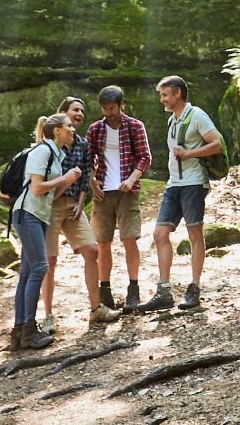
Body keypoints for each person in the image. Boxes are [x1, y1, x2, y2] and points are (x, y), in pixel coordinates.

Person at [131, 75, 221, 313]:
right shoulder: (172, 120)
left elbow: (217, 143)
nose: (162, 99)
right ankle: (164, 291)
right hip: (174, 185)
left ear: (177, 94)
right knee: (160, 233)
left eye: (165, 95)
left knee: (194, 234)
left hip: (193, 184)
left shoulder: (197, 116)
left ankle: (194, 287)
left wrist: (190, 154)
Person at [40, 97, 117, 329]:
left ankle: (96, 309)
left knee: (91, 250)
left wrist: (81, 202)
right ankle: (48, 317)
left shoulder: (82, 144)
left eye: (82, 111)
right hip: (50, 207)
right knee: (49, 262)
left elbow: (85, 176)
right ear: (62, 114)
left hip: (73, 205)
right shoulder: (48, 147)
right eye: (75, 110)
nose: (80, 115)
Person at [10, 112, 81, 350]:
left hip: (37, 215)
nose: (73, 129)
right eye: (69, 126)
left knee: (27, 272)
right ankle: (28, 329)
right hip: (27, 214)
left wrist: (67, 182)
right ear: (57, 131)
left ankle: (19, 331)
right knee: (40, 267)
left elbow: (49, 195)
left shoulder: (57, 155)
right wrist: (64, 179)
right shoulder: (43, 151)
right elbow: (37, 188)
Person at [86, 85, 151, 313]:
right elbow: (88, 158)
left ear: (120, 105)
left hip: (127, 192)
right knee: (103, 242)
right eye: (104, 108)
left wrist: (132, 179)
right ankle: (105, 291)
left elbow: (144, 157)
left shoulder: (134, 126)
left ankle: (133, 290)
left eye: (111, 108)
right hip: (103, 193)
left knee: (129, 239)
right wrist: (92, 181)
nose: (107, 112)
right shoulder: (95, 129)